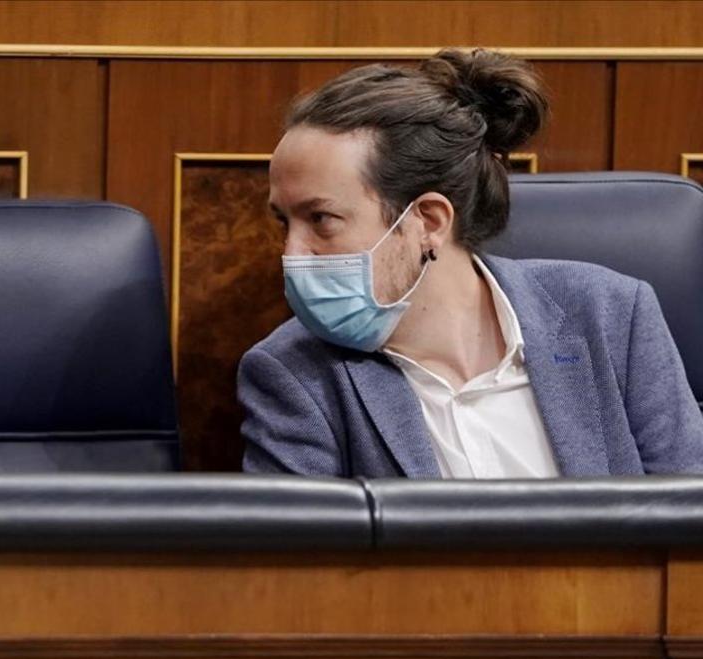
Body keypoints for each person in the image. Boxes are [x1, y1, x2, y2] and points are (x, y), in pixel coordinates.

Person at [240, 48, 703, 478]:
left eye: (321, 219)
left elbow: (687, 526)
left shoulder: (611, 315)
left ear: (428, 220)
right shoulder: (291, 374)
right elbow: (303, 564)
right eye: (285, 222)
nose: (291, 254)